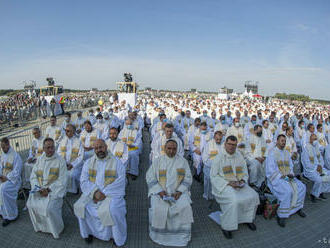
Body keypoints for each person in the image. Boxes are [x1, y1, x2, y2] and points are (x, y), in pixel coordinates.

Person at [74, 139, 127, 246]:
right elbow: (83, 180)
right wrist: (94, 192)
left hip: (111, 195)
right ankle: (87, 233)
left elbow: (121, 181)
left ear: (106, 147)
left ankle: (116, 237)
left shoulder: (117, 162)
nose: (99, 150)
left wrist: (103, 193)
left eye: (101, 147)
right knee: (80, 206)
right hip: (92, 194)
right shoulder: (88, 162)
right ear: (94, 150)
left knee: (112, 210)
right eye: (96, 148)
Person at [210, 135, 259, 239]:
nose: (231, 147)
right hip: (224, 185)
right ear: (225, 144)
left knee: (254, 196)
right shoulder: (219, 158)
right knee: (234, 200)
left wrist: (242, 180)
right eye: (229, 144)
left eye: (234, 145)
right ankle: (227, 227)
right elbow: (213, 176)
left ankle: (247, 219)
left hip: (239, 183)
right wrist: (228, 183)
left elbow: (245, 172)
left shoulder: (239, 156)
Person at [146, 140, 193, 247]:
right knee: (158, 208)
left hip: (178, 193)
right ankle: (159, 235)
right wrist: (160, 191)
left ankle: (182, 236)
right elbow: (150, 177)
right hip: (161, 194)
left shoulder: (182, 162)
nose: (171, 151)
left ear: (177, 149)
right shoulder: (158, 162)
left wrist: (180, 191)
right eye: (169, 148)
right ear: (164, 148)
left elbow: (188, 178)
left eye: (174, 149)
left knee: (185, 206)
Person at [27, 138, 68, 238]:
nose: (50, 150)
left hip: (54, 191)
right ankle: (41, 227)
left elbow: (62, 181)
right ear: (43, 149)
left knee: (49, 209)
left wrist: (48, 189)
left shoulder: (60, 161)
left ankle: (56, 229)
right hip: (40, 190)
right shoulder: (40, 159)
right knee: (30, 204)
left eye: (52, 147)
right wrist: (39, 189)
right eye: (48, 147)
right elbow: (33, 176)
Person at [265, 134, 306, 227]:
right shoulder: (272, 154)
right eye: (282, 141)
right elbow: (270, 171)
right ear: (277, 141)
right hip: (277, 179)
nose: (283, 143)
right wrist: (281, 176)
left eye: (284, 141)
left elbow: (290, 166)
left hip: (288, 177)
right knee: (287, 191)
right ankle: (282, 215)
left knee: (302, 187)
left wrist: (290, 173)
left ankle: (297, 208)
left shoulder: (287, 153)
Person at [0, 137, 22, 227]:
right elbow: (1, 167)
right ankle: (2, 211)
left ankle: (11, 215)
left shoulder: (16, 156)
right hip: (3, 178)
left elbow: (17, 172)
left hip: (13, 181)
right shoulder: (3, 155)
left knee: (3, 189)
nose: (3, 149)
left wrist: (7, 178)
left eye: (4, 147)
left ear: (8, 144)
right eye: (1, 147)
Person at [301, 133, 330, 202]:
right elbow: (306, 163)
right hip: (310, 170)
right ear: (310, 140)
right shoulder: (306, 149)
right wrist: (316, 167)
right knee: (319, 180)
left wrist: (320, 165)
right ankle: (313, 194)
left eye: (316, 139)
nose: (315, 140)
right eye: (314, 139)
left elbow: (320, 159)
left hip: (319, 168)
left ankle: (320, 192)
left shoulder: (316, 147)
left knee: (328, 174)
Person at [57, 124, 84, 193]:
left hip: (75, 166)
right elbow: (59, 153)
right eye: (65, 130)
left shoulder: (78, 141)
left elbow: (81, 156)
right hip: (64, 164)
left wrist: (72, 165)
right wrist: (64, 163)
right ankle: (63, 189)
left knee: (72, 175)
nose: (66, 132)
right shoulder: (62, 141)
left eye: (68, 131)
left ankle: (74, 190)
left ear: (73, 132)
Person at [202, 131, 223, 200]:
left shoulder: (223, 144)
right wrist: (214, 164)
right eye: (217, 139)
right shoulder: (208, 144)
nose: (218, 141)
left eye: (220, 139)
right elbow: (205, 158)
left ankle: (216, 195)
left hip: (220, 168)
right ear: (214, 137)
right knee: (208, 182)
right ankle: (206, 195)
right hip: (209, 167)